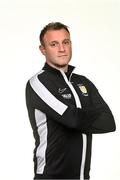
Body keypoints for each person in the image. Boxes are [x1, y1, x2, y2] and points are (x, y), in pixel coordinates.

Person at [25, 22, 116, 180]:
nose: (62, 49)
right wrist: (86, 115)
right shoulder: (38, 82)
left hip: (82, 176)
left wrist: (77, 116)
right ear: (43, 49)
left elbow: (109, 122)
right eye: (54, 44)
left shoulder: (84, 82)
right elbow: (72, 119)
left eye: (65, 42)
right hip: (50, 176)